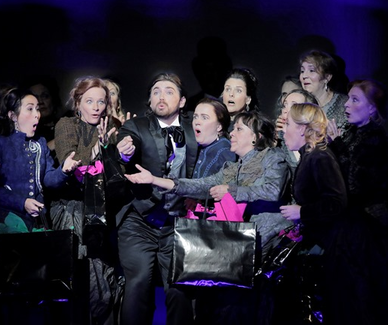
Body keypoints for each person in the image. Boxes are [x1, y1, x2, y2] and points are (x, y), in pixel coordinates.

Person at [124, 110, 292, 325]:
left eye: (239, 129)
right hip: (235, 245)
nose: (232, 133)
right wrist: (156, 180)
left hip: (265, 243)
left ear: (256, 136)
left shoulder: (272, 156)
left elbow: (272, 190)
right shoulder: (231, 168)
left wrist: (230, 191)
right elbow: (199, 186)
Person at [114, 72, 198, 325]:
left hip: (178, 223)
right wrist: (126, 153)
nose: (161, 97)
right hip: (140, 219)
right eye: (156, 92)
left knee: (178, 289)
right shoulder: (136, 126)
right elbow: (129, 145)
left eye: (169, 91)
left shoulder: (194, 127)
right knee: (138, 281)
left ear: (182, 101)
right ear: (149, 101)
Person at [52, 76, 123, 325]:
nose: (96, 107)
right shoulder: (66, 125)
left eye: (101, 101)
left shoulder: (112, 129)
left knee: (106, 283)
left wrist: (116, 146)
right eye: (89, 101)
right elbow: (70, 160)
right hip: (73, 212)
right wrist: (98, 148)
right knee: (82, 280)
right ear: (78, 102)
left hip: (105, 212)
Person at [326, 79, 388, 325]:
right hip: (354, 227)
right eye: (348, 98)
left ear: (372, 109)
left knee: (359, 298)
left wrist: (336, 147)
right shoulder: (357, 134)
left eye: (355, 99)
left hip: (367, 232)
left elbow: (355, 185)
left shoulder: (373, 139)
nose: (347, 104)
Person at [278, 102, 347, 324]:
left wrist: (302, 212)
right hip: (315, 243)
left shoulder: (320, 157)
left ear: (301, 128)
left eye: (288, 124)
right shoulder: (309, 155)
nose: (283, 129)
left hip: (325, 249)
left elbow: (336, 202)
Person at [0, 87, 79, 234]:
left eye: (37, 109)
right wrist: (22, 203)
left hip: (35, 222)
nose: (37, 115)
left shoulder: (39, 143)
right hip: (6, 222)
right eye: (30, 109)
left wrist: (63, 171)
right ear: (13, 116)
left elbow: (48, 180)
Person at [185, 97, 237, 215]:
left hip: (212, 220)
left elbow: (226, 185)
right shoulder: (196, 146)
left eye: (204, 117)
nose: (197, 121)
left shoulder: (224, 149)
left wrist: (196, 197)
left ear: (219, 126)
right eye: (195, 116)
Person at [299, 49, 348, 132]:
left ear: (327, 77)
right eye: (302, 71)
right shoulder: (299, 103)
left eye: (311, 70)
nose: (304, 76)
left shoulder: (344, 104)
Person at [185, 36, 233, 112]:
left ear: (225, 69)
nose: (210, 75)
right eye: (205, 69)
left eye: (216, 68)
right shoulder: (189, 106)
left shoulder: (238, 103)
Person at [275, 88, 319, 171]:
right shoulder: (278, 141)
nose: (285, 111)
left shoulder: (318, 149)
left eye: (294, 106)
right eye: (285, 105)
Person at [221, 67, 260, 133]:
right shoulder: (214, 123)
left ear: (248, 99)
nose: (231, 94)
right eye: (228, 89)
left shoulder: (254, 127)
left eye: (238, 90)